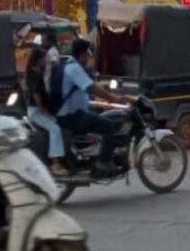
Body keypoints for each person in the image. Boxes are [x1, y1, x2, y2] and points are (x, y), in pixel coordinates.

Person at [55, 38, 132, 176]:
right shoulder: (74, 68)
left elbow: (94, 85)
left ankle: (99, 155)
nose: (89, 57)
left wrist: (109, 92)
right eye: (87, 54)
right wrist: (113, 98)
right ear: (81, 54)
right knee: (108, 126)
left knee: (100, 120)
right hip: (72, 116)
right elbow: (92, 88)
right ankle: (102, 162)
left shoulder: (70, 66)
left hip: (73, 114)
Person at [25, 47, 67, 177]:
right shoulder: (36, 75)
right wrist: (43, 109)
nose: (46, 60)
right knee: (54, 129)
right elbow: (36, 94)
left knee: (58, 123)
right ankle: (55, 164)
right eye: (44, 58)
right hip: (36, 111)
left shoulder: (34, 72)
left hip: (36, 109)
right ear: (39, 60)